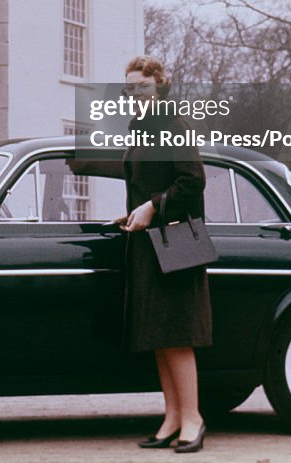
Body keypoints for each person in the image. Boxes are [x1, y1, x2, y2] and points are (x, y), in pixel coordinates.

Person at [115, 55, 212, 454]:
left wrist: (153, 207)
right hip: (148, 244)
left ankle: (193, 419)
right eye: (128, 88)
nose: (133, 94)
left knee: (178, 335)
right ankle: (172, 416)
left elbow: (194, 181)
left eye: (140, 86)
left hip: (174, 243)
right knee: (160, 337)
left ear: (159, 85)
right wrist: (134, 211)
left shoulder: (172, 124)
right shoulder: (142, 128)